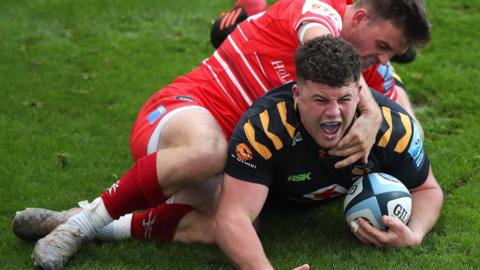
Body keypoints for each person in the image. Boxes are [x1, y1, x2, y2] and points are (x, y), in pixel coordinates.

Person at [14, 0, 431, 269]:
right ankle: (79, 228)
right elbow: (319, 49)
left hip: (239, 153)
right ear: (358, 17)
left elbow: (404, 119)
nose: (385, 58)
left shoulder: (369, 64)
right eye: (383, 45)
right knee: (208, 151)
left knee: (226, 227)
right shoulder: (319, 11)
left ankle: (87, 220)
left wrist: (399, 129)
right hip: (182, 111)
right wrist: (370, 108)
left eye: (391, 53)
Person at [214, 36, 443, 269]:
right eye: (320, 100)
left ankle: (393, 80)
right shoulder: (264, 129)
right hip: (269, 199)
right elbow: (232, 217)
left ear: (359, 92)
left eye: (344, 99)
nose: (333, 113)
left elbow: (426, 189)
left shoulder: (394, 130)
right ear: (297, 95)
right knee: (210, 229)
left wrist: (414, 235)